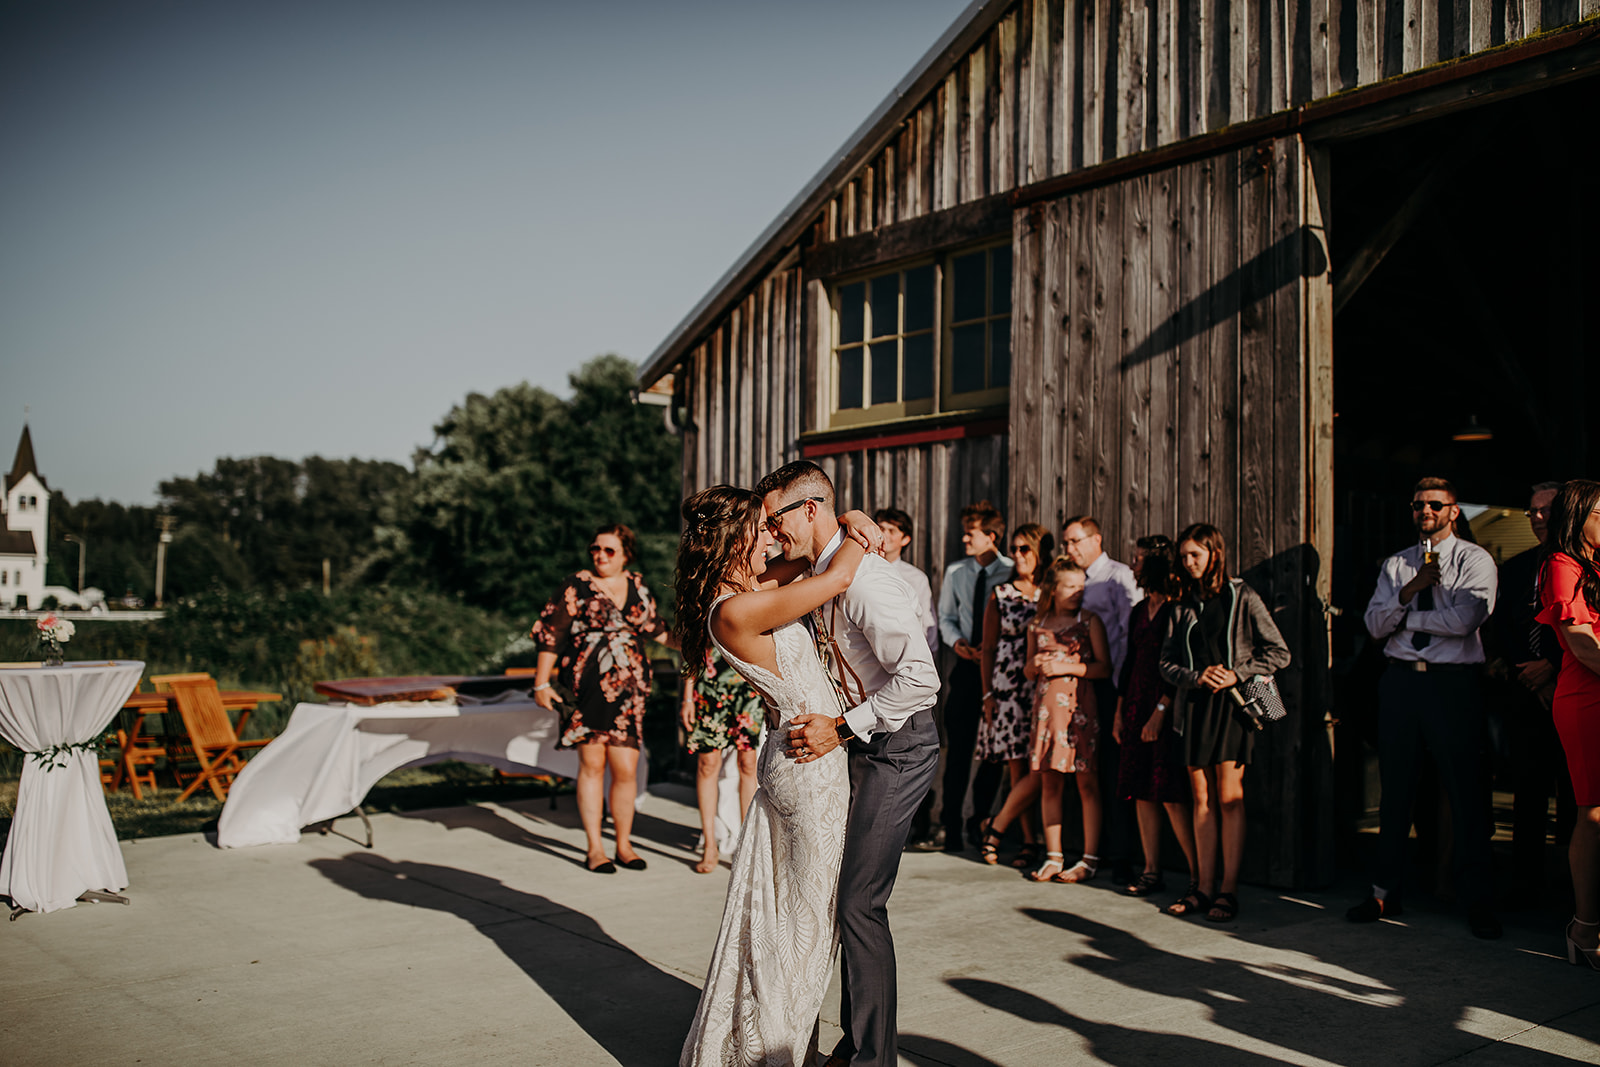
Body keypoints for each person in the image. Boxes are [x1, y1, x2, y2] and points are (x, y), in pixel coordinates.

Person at [673, 484, 873, 1065]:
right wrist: (861, 532)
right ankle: (777, 1049)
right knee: (810, 922)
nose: (769, 536)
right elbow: (834, 578)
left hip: (799, 755)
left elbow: (808, 556)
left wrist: (848, 518)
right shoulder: (735, 609)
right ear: (731, 538)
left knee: (792, 914)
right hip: (808, 769)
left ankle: (776, 1034)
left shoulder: (750, 592)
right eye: (758, 528)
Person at [1346, 477, 1502, 939]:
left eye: (1435, 504)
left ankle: (1477, 899)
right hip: (1400, 684)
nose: (1425, 511)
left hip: (1452, 686)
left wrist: (1406, 614)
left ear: (1454, 510)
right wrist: (1410, 588)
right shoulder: (1398, 565)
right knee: (1395, 790)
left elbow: (1466, 619)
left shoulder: (1475, 560)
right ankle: (1383, 891)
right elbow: (1374, 625)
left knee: (1464, 791)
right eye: (1418, 505)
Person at [1159, 523, 1291, 923]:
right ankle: (1202, 886)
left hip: (1233, 707)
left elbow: (1279, 652)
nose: (1188, 562)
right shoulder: (1181, 604)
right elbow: (1165, 663)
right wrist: (1194, 677)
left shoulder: (1242, 595)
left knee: (1230, 798)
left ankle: (1228, 891)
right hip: (1195, 707)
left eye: (1195, 554)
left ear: (1214, 553)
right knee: (1200, 799)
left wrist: (1237, 672)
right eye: (1183, 556)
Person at [531, 523, 674, 875]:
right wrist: (540, 684)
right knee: (592, 767)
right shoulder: (576, 585)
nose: (600, 555)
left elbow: (657, 628)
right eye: (595, 549)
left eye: (609, 550)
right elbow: (551, 634)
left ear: (626, 554)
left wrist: (705, 639)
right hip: (586, 688)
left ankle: (623, 844)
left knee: (626, 769)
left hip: (630, 691)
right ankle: (595, 847)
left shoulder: (637, 585)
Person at [1488, 480, 1574, 905]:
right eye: (1532, 511)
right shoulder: (1519, 567)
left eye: (1546, 510)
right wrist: (1529, 670)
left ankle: (1576, 886)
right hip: (1527, 695)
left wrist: (1554, 668)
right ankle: (1526, 883)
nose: (1537, 517)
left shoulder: (1587, 565)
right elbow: (1504, 625)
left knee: (1576, 794)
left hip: (1574, 689)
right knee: (1528, 789)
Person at [1533, 479, 1600, 970]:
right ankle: (1585, 926)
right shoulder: (1561, 564)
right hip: (1587, 698)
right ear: (1581, 517)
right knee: (1594, 812)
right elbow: (1581, 645)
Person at [1112, 535, 1199, 898]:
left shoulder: (1179, 609)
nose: (1134, 566)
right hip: (1133, 703)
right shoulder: (1137, 611)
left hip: (1165, 706)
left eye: (1139, 560)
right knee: (1140, 792)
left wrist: (1160, 710)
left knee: (1169, 794)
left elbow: (1182, 663)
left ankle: (1198, 873)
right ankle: (1151, 869)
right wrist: (1119, 712)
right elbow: (1130, 663)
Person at [1062, 515, 1143, 882]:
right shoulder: (1067, 579)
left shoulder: (1117, 577)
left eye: (1075, 541)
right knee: (1083, 771)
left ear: (1096, 540)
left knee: (1114, 771)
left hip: (1111, 686)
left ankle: (1121, 854)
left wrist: (1123, 690)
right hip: (1078, 690)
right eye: (1066, 543)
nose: (1069, 548)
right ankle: (1087, 848)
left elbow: (1130, 635)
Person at [1023, 556, 1112, 883]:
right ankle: (1054, 856)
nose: (1077, 592)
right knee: (1050, 783)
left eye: (1081, 587)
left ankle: (1089, 859)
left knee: (1087, 783)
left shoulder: (1090, 622)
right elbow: (1027, 669)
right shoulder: (1037, 624)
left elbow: (1104, 668)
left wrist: (1066, 667)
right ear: (1053, 589)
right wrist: (1034, 666)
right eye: (1070, 586)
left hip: (1080, 714)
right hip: (1045, 716)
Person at [933, 500, 1012, 853]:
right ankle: (950, 825)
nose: (964, 540)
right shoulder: (955, 573)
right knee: (959, 749)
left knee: (994, 751)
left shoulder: (1010, 572)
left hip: (1000, 672)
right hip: (965, 669)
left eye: (971, 534)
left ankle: (980, 819)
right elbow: (946, 616)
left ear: (991, 536)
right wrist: (958, 643)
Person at [974, 523, 1052, 868]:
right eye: (1015, 549)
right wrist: (988, 693)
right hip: (1007, 688)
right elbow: (988, 647)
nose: (1018, 555)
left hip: (1044, 687)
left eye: (1025, 549)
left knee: (1041, 765)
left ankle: (996, 825)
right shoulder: (1001, 594)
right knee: (1019, 765)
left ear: (1039, 553)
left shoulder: (1051, 593)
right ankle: (1028, 842)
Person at [680, 646, 761, 873]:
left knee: (747, 763)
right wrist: (687, 698)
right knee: (707, 765)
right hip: (709, 682)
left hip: (747, 683)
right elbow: (691, 644)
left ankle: (746, 846)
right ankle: (709, 844)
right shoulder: (700, 609)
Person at [874, 507, 938, 655]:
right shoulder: (859, 568)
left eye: (892, 531)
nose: (884, 534)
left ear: (905, 539)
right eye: (882, 528)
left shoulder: (916, 578)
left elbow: (927, 623)